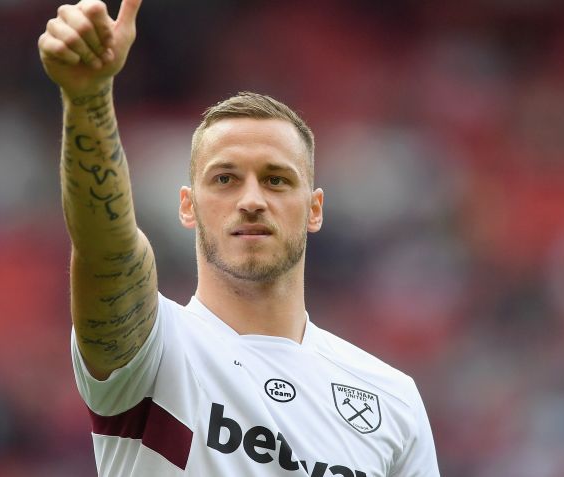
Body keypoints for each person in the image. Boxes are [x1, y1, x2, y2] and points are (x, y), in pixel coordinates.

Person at [38, 1, 440, 475]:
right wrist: (88, 98)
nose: (251, 200)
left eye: (276, 180)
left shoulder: (392, 401)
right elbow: (106, 248)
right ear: (188, 206)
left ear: (314, 209)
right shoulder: (152, 348)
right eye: (225, 179)